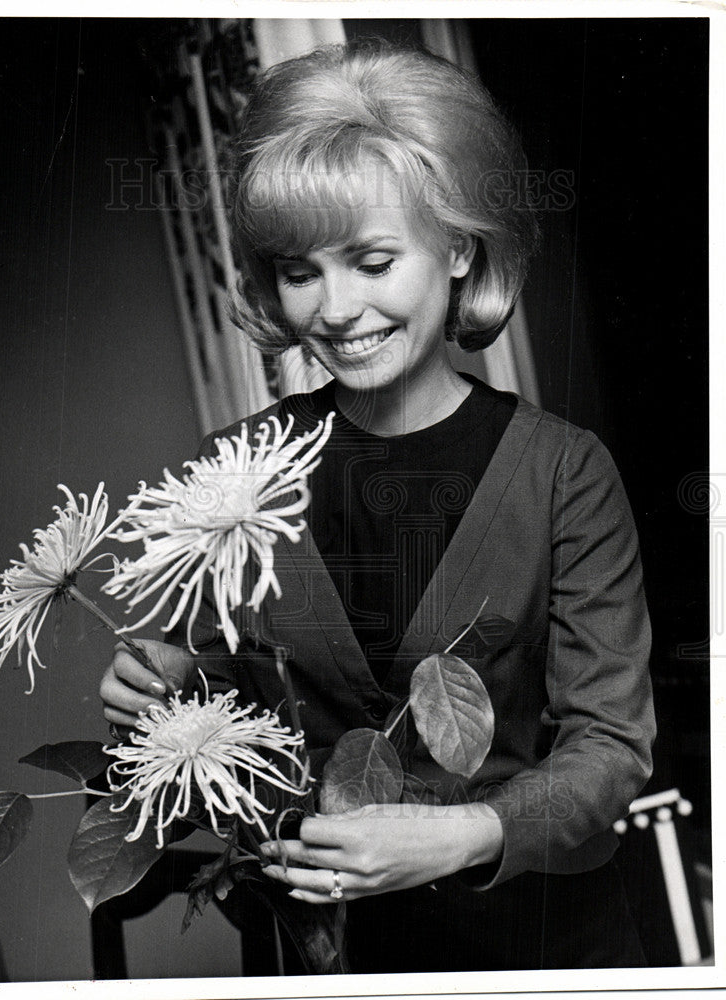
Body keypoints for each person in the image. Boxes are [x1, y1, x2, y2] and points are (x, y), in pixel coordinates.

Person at [100, 41, 655, 972]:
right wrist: (161, 693)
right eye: (299, 270)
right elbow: (226, 723)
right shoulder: (234, 473)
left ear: (456, 247)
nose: (336, 307)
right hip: (341, 959)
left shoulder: (565, 473)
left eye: (371, 259)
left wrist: (463, 834)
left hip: (549, 949)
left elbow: (610, 747)